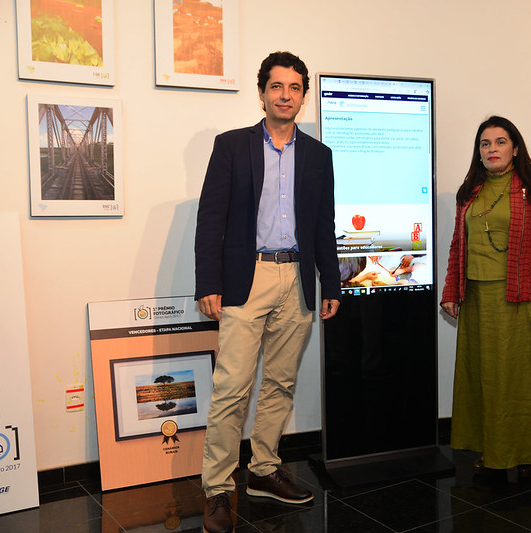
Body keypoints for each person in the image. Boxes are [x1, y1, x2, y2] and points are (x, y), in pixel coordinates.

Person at [195, 51, 341, 533]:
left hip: (296, 279)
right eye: (276, 86)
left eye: (295, 87)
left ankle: (263, 470)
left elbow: (324, 224)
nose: (285, 95)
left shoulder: (319, 155)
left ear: (303, 96)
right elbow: (210, 219)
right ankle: (217, 489)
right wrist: (208, 282)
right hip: (246, 279)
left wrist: (331, 281)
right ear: (262, 93)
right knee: (232, 388)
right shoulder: (231, 146)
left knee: (281, 383)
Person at [441, 115, 531, 479]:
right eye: (485, 143)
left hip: (519, 300)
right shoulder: (469, 192)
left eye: (500, 142)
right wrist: (451, 290)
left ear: (515, 148)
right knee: (484, 380)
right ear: (478, 152)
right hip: (477, 302)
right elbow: (457, 245)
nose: (492, 149)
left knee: (520, 381)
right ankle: (492, 451)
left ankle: (524, 453)